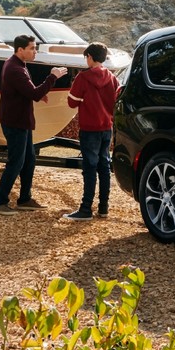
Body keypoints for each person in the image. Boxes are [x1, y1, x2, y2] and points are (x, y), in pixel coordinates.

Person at [0, 34, 67, 213]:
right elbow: (33, 93)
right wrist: (52, 77)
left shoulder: (18, 65)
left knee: (29, 160)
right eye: (32, 48)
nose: (35, 52)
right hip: (15, 121)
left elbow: (28, 91)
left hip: (21, 120)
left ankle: (24, 199)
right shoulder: (15, 68)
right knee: (16, 162)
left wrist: (40, 94)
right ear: (20, 50)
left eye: (35, 48)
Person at [60, 42, 119, 222]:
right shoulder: (112, 77)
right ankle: (103, 207)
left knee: (89, 168)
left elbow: (72, 102)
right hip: (105, 127)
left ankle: (86, 209)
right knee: (104, 166)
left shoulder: (83, 78)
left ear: (90, 57)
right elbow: (115, 102)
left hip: (89, 129)